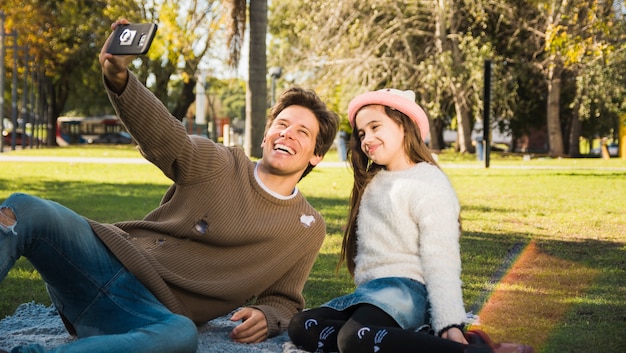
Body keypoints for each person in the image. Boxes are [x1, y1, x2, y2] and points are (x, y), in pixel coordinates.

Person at [0, 19, 339, 353]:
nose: (287, 134)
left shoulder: (307, 228)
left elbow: (285, 298)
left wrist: (269, 316)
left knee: (180, 336)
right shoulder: (220, 162)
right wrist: (119, 78)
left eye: (302, 132)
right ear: (266, 135)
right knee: (25, 209)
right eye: (281, 124)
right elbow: (166, 136)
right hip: (103, 260)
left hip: (150, 313)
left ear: (316, 156)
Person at [288, 88, 533, 353]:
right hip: (373, 295)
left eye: (375, 127)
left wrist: (449, 323)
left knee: (352, 338)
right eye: (362, 133)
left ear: (404, 126)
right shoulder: (373, 183)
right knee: (302, 325)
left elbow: (442, 259)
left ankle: (470, 351)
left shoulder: (428, 182)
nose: (367, 139)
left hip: (408, 292)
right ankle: (414, 341)